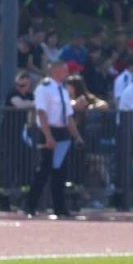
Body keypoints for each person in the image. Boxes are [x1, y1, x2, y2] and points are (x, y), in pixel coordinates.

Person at [23, 58, 81, 219]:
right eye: (64, 70)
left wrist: (76, 136)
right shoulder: (44, 88)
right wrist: (48, 136)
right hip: (48, 130)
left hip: (62, 132)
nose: (67, 73)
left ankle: (60, 207)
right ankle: (30, 205)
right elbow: (41, 113)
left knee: (60, 171)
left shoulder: (63, 89)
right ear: (55, 70)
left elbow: (68, 115)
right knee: (44, 170)